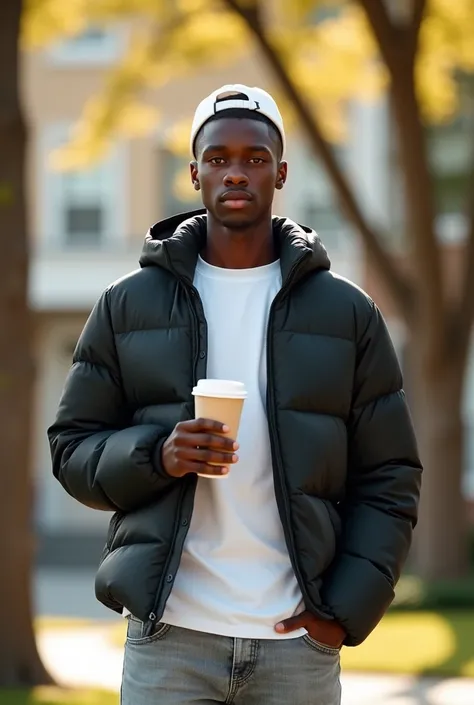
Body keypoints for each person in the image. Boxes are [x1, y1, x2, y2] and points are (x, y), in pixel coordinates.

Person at [48, 84, 422, 705]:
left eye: (254, 158)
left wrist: (346, 614)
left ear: (280, 171)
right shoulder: (127, 305)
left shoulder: (348, 313)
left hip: (295, 645)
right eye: (219, 159)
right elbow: (70, 449)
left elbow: (390, 474)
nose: (236, 172)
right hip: (171, 639)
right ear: (194, 173)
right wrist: (157, 455)